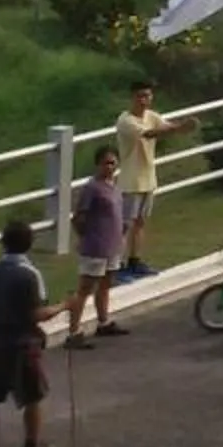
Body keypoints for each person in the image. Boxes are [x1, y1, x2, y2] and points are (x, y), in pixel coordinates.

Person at [0, 218, 62, 447]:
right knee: (32, 397)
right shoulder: (30, 275)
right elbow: (37, 314)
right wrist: (65, 306)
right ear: (29, 244)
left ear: (3, 243)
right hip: (23, 346)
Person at [113, 82, 196, 282]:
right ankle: (115, 267)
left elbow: (167, 127)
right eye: (140, 96)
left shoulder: (152, 116)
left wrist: (183, 127)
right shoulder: (126, 121)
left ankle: (134, 261)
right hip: (130, 181)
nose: (144, 100)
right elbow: (149, 134)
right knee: (124, 226)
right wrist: (179, 127)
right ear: (132, 97)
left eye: (147, 96)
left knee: (140, 223)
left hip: (148, 179)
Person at [61, 149, 129, 350]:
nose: (111, 167)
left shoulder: (114, 187)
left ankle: (103, 322)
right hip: (95, 247)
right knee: (84, 289)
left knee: (106, 285)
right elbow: (78, 218)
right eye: (106, 163)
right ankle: (73, 332)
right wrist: (87, 238)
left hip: (112, 246)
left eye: (113, 163)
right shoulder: (92, 188)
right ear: (98, 164)